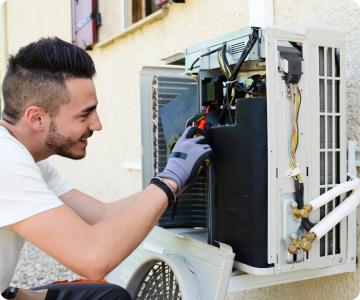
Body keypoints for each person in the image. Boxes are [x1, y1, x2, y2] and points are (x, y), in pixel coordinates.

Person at [0, 37, 213, 300]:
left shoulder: (32, 159)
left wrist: (179, 177)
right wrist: (169, 181)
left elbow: (103, 214)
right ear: (37, 118)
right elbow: (92, 258)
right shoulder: (5, 160)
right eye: (84, 115)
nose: (97, 124)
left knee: (110, 295)